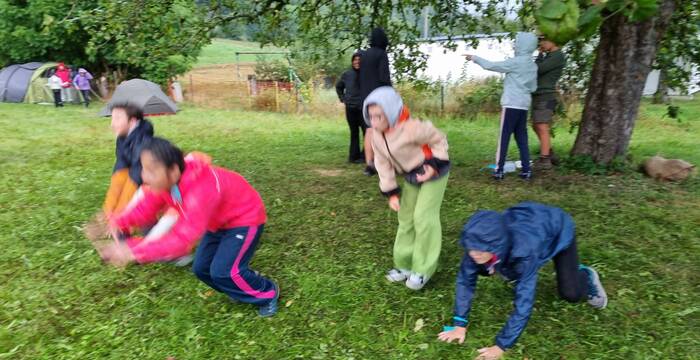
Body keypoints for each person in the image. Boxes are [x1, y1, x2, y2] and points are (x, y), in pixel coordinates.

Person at [96, 137, 280, 317]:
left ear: (173, 171)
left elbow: (181, 241)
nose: (144, 176)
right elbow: (145, 207)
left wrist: (133, 250)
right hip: (217, 223)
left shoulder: (200, 191)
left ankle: (268, 293)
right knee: (201, 269)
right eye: (143, 169)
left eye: (151, 171)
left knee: (224, 272)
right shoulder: (167, 184)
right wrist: (116, 220)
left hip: (245, 219)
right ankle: (240, 284)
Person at [437, 202, 608, 360]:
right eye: (471, 247)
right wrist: (459, 324)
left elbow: (524, 304)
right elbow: (465, 282)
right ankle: (503, 267)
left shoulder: (524, 253)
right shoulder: (476, 249)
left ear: (496, 245)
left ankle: (585, 275)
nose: (474, 253)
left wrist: (501, 346)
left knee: (571, 293)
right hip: (529, 225)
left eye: (481, 249)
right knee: (482, 267)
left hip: (558, 228)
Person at [364, 86, 450, 290]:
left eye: (379, 117)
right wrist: (391, 192)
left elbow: (439, 140)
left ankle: (423, 269)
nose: (374, 122)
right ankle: (404, 265)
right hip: (412, 174)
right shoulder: (376, 135)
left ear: (392, 112)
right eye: (371, 117)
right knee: (406, 217)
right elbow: (382, 164)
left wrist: (433, 166)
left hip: (434, 171)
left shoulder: (413, 128)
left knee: (423, 217)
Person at [464, 32, 538, 180]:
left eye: (517, 43)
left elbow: (491, 65)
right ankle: (526, 170)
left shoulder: (515, 62)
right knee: (522, 138)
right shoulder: (533, 66)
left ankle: (499, 170)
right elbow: (534, 88)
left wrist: (474, 58)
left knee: (504, 138)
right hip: (524, 106)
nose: (515, 45)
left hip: (511, 104)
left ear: (521, 46)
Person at [359, 27, 393, 176]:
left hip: (366, 98)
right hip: (380, 98)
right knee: (384, 130)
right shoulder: (382, 55)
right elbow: (384, 77)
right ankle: (385, 163)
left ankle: (369, 165)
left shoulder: (364, 55)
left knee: (369, 130)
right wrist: (391, 92)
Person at [532, 36, 567, 171]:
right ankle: (549, 153)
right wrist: (540, 54)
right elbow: (538, 68)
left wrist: (540, 55)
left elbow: (538, 69)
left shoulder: (558, 56)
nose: (542, 43)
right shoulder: (548, 56)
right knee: (536, 126)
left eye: (544, 41)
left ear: (554, 41)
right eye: (540, 41)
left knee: (542, 126)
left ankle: (545, 159)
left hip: (547, 97)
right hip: (539, 95)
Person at [336, 52, 366, 163]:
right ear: (352, 61)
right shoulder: (347, 74)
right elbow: (339, 87)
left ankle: (365, 156)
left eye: (359, 60)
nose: (357, 62)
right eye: (355, 60)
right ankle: (353, 157)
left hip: (364, 109)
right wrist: (343, 98)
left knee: (367, 132)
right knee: (354, 133)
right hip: (351, 108)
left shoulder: (367, 75)